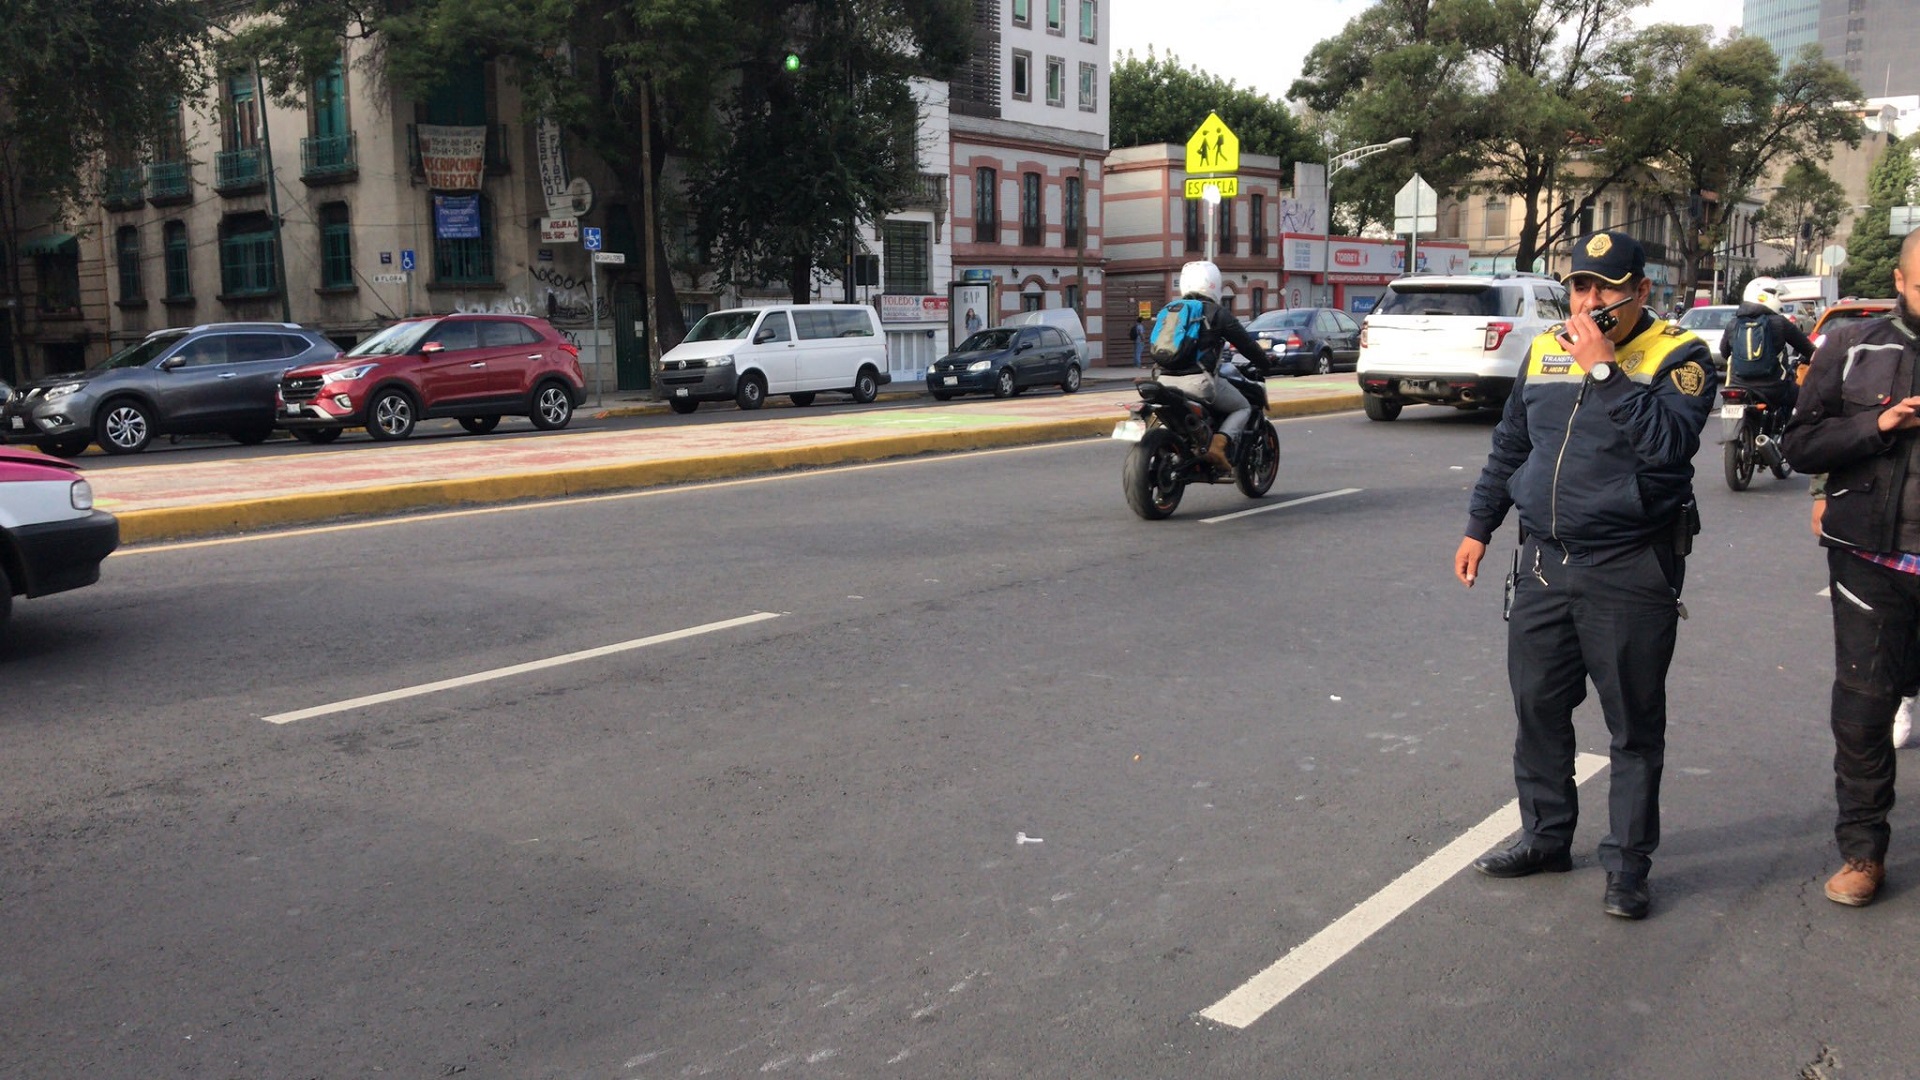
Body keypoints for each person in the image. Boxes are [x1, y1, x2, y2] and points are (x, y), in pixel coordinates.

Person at [1452, 230, 1717, 921]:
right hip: (1543, 560)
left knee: (1632, 725)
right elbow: (1512, 444)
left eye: (1605, 287)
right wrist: (1480, 525)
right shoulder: (1544, 351)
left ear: (1640, 293)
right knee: (1536, 707)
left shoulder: (1678, 356)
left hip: (1629, 566)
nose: (1589, 300)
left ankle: (1628, 867)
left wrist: (1605, 369)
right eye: (1579, 286)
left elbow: (1667, 446)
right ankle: (1544, 838)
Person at [1778, 228, 1920, 907]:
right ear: (1899, 282)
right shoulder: (1850, 345)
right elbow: (1799, 443)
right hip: (1872, 559)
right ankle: (1863, 852)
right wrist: (1879, 426)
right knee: (1863, 712)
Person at [1154, 260, 1266, 469]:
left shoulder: (1171, 310)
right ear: (1214, 284)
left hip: (1164, 381)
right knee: (1242, 407)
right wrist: (1265, 363)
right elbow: (1246, 345)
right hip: (1199, 383)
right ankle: (1218, 443)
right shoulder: (1216, 313)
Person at [1720, 275, 1814, 428]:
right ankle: (1788, 438)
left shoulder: (1733, 323)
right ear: (1769, 297)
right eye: (1779, 297)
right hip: (1774, 387)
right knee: (1805, 399)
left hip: (1736, 386)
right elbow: (1807, 348)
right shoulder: (1780, 323)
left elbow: (1724, 352)